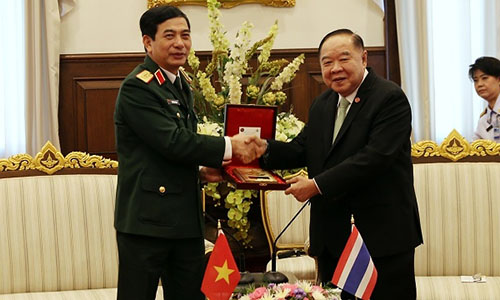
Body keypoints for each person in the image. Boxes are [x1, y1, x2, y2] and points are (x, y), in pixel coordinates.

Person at [113, 6, 263, 300]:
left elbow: (164, 154)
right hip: (147, 223)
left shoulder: (181, 83)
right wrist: (231, 146)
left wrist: (200, 172)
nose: (180, 43)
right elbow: (173, 141)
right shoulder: (138, 87)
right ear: (148, 42)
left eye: (185, 35)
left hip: (184, 219)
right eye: (169, 36)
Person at [260, 29, 423, 299]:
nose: (335, 69)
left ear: (364, 57)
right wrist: (262, 149)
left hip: (380, 238)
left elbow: (374, 159)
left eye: (343, 59)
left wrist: (316, 185)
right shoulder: (323, 103)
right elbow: (301, 149)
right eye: (326, 62)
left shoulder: (389, 98)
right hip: (333, 238)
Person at [468, 56, 500, 141]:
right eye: (475, 80)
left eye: (484, 78)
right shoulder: (484, 120)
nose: (479, 84)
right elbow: (474, 149)